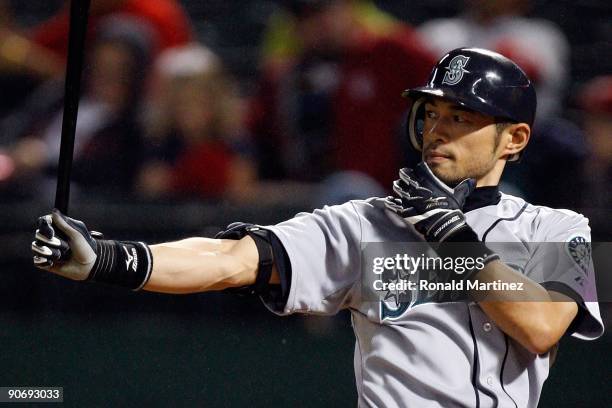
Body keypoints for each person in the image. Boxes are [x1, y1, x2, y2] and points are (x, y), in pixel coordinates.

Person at [31, 48, 603, 407]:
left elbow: (541, 326)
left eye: (461, 116)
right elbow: (235, 260)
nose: (437, 129)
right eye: (431, 113)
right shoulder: (368, 223)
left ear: (515, 139)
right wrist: (108, 259)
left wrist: (448, 236)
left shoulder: (555, 227)